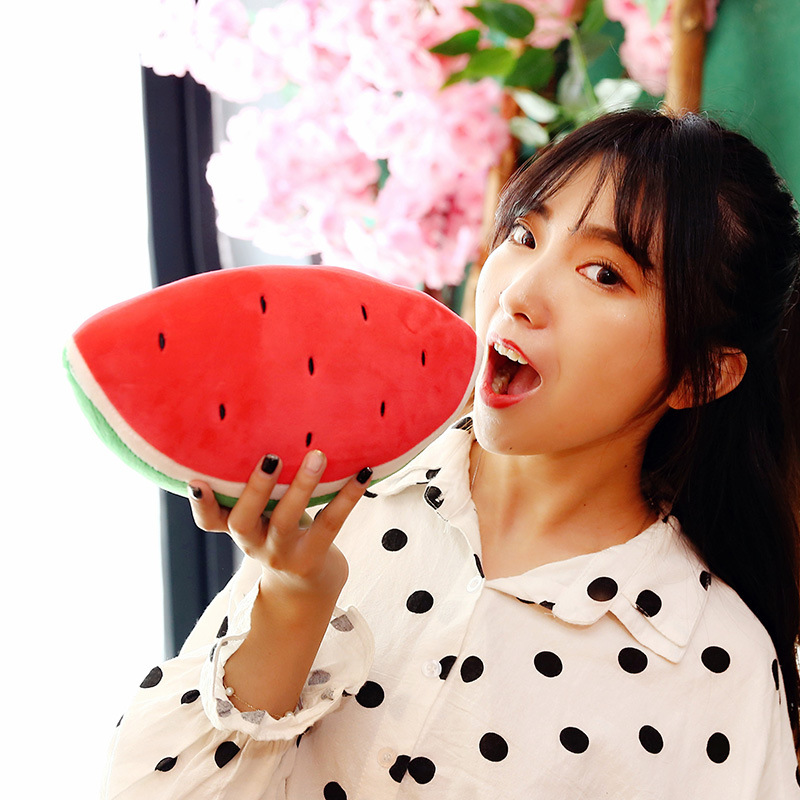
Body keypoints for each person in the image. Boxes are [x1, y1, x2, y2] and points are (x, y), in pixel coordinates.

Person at [103, 109, 800, 798]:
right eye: (524, 234)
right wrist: (290, 605)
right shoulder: (350, 499)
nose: (518, 294)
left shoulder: (718, 670)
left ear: (700, 376)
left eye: (604, 274)